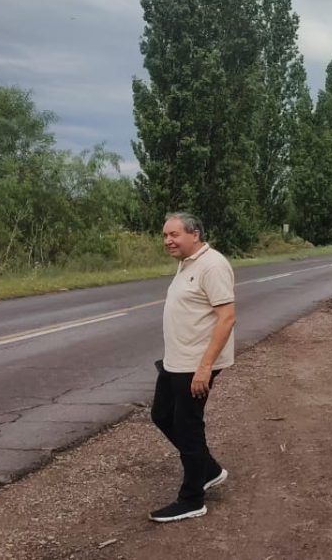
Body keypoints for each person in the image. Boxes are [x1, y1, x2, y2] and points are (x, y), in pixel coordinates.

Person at [148, 212, 237, 523]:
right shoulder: (187, 263)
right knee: (161, 414)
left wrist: (205, 368)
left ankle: (192, 498)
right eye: (164, 235)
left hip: (196, 364)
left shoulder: (213, 265)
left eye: (174, 234)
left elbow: (227, 318)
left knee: (187, 425)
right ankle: (208, 470)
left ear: (194, 234)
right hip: (176, 361)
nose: (168, 240)